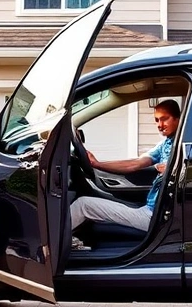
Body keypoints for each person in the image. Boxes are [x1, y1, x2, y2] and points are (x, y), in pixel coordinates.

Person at [69, 99, 180, 249]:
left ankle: (50, 242)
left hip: (155, 216)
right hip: (150, 210)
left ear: (177, 118)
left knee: (84, 205)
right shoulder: (165, 144)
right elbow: (136, 163)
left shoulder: (184, 147)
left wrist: (174, 168)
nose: (159, 125)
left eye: (164, 119)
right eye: (156, 120)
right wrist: (97, 164)